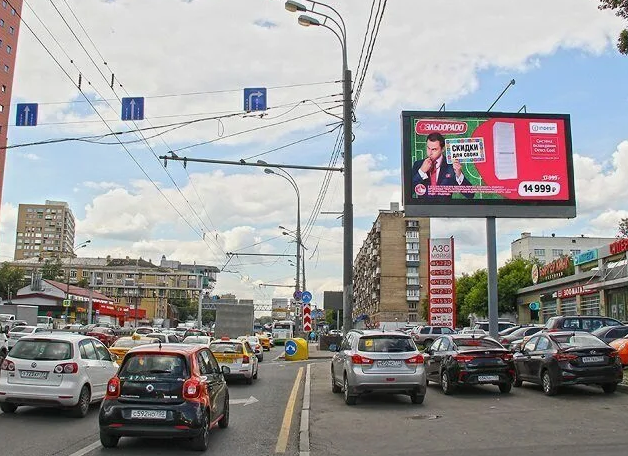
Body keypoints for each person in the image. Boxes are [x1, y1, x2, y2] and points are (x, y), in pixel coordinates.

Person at [412, 132, 474, 198]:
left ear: (442, 149)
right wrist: (421, 172)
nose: (430, 153)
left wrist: (459, 174)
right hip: (422, 205)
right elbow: (409, 191)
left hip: (445, 205)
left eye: (434, 149)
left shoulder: (451, 166)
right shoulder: (418, 165)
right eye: (428, 148)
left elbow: (470, 194)